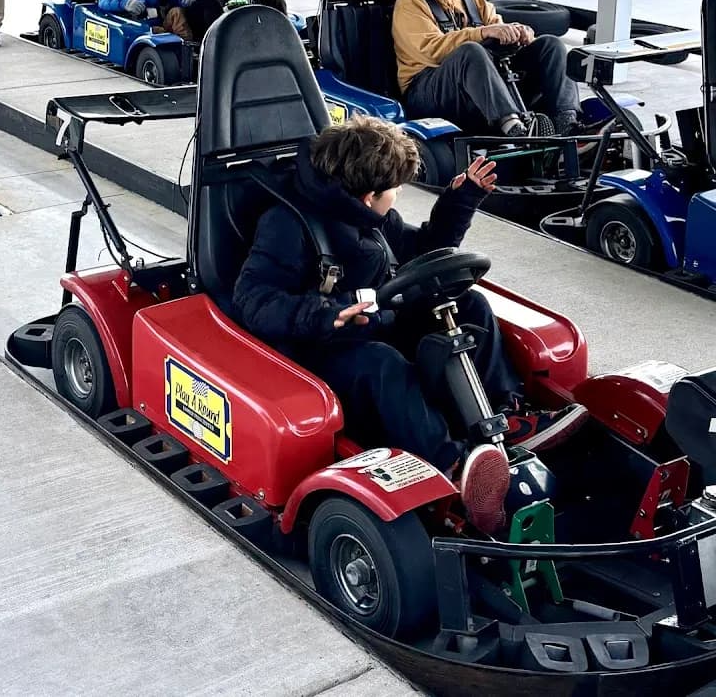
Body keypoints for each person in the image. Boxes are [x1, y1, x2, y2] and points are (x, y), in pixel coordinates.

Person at [232, 116, 586, 535]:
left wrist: (461, 199)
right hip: (318, 344)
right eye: (395, 189)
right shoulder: (288, 225)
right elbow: (252, 299)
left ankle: (505, 417)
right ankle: (453, 467)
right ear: (369, 196)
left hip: (375, 318)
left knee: (470, 304)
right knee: (383, 363)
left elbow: (420, 250)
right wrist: (328, 314)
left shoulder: (368, 215)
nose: (397, 194)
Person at [392, 0, 582, 137]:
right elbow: (431, 51)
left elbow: (497, 30)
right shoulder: (411, 2)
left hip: (480, 86)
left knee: (552, 45)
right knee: (470, 51)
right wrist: (481, 33)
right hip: (425, 91)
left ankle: (567, 123)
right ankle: (513, 130)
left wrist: (519, 34)